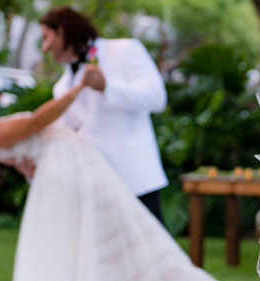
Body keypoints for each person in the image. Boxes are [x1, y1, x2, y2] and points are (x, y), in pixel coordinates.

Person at [0, 71, 233, 281]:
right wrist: (78, 89)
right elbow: (38, 120)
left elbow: (30, 148)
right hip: (72, 163)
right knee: (127, 236)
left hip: (65, 164)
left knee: (89, 253)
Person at [38, 6, 168, 222]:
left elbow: (157, 98)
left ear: (61, 31)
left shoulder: (126, 50)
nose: (44, 47)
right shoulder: (61, 88)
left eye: (46, 37)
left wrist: (107, 87)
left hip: (135, 181)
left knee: (151, 255)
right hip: (94, 186)